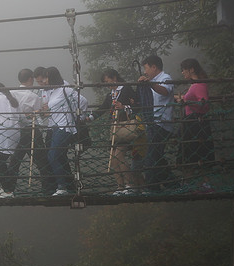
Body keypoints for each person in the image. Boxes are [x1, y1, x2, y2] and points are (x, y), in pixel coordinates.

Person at [42, 67, 89, 196]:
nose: (44, 81)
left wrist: (79, 116)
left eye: (46, 77)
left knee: (53, 155)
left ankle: (62, 187)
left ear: (52, 77)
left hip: (66, 127)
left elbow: (83, 101)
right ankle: (68, 187)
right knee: (58, 156)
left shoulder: (65, 89)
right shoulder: (53, 91)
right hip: (57, 127)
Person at [98, 68, 142, 195]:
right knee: (113, 158)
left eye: (108, 81)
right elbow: (102, 109)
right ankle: (120, 187)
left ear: (115, 78)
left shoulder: (126, 89)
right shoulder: (110, 95)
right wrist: (89, 117)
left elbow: (138, 106)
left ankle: (129, 185)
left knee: (118, 155)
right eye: (105, 83)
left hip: (126, 127)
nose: (108, 85)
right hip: (115, 129)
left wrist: (124, 107)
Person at [174, 58, 215, 192]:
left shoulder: (199, 85)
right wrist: (182, 100)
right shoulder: (194, 84)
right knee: (189, 153)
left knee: (196, 152)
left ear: (191, 69)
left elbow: (204, 103)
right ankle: (190, 183)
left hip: (196, 123)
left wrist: (186, 102)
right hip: (191, 122)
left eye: (184, 69)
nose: (182, 73)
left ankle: (203, 184)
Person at [137, 55, 176, 191]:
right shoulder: (152, 80)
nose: (145, 72)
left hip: (163, 124)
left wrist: (151, 84)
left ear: (154, 67)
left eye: (146, 68)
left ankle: (152, 189)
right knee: (157, 156)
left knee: (151, 158)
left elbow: (165, 91)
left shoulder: (166, 78)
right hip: (153, 123)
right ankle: (172, 184)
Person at [8, 68, 45, 190]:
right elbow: (40, 113)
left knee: (15, 160)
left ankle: (9, 187)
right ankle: (49, 185)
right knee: (40, 160)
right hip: (31, 129)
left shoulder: (11, 94)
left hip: (16, 130)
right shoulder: (33, 96)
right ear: (30, 79)